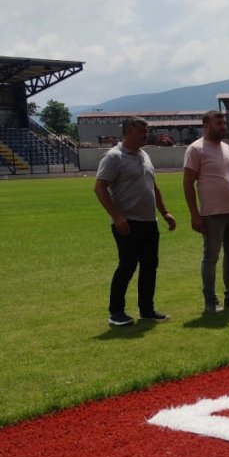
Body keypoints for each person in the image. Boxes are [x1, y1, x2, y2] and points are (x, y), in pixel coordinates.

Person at [93, 117, 177, 326]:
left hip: (149, 221)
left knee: (150, 266)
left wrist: (165, 212)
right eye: (142, 131)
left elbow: (152, 185)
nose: (146, 135)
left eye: (146, 131)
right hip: (127, 221)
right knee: (128, 265)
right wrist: (116, 216)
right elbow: (100, 188)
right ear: (129, 131)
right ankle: (116, 312)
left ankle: (146, 309)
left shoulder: (144, 155)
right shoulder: (114, 157)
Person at [183, 110, 229, 314]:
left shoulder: (226, 148)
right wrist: (194, 214)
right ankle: (210, 301)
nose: (223, 127)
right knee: (211, 257)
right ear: (206, 126)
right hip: (212, 213)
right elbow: (187, 183)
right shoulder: (196, 149)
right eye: (219, 123)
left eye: (224, 123)